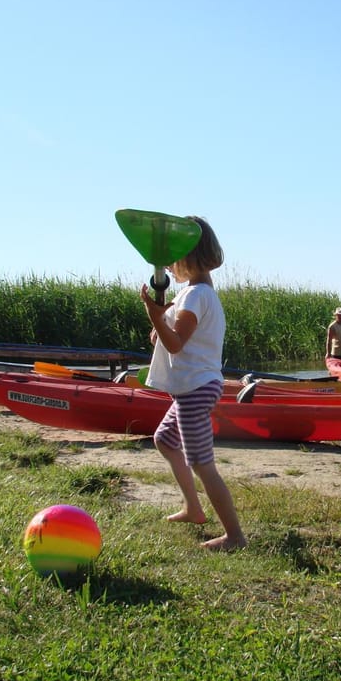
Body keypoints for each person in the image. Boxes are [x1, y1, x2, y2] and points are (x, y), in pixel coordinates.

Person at [140, 217, 247, 550]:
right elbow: (167, 338)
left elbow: (175, 344)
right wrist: (160, 323)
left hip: (195, 390)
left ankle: (235, 536)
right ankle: (193, 509)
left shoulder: (194, 296)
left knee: (202, 462)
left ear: (189, 256)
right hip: (193, 388)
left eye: (174, 257)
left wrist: (155, 315)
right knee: (165, 439)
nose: (170, 265)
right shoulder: (197, 293)